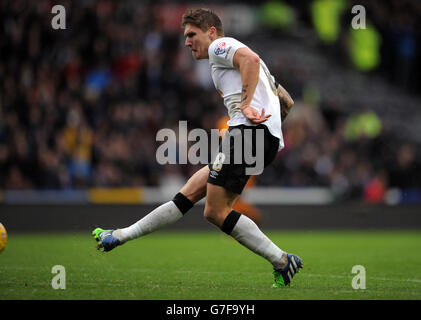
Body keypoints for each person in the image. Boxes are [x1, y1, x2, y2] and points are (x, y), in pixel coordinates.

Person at [92, 8, 302, 287]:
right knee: (188, 194)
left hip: (248, 132)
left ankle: (282, 260)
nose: (188, 41)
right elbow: (286, 101)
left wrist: (248, 106)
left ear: (211, 31)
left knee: (215, 211)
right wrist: (270, 126)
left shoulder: (219, 47)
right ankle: (119, 236)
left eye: (192, 34)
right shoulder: (254, 65)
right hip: (260, 136)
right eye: (185, 36)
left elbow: (249, 59)